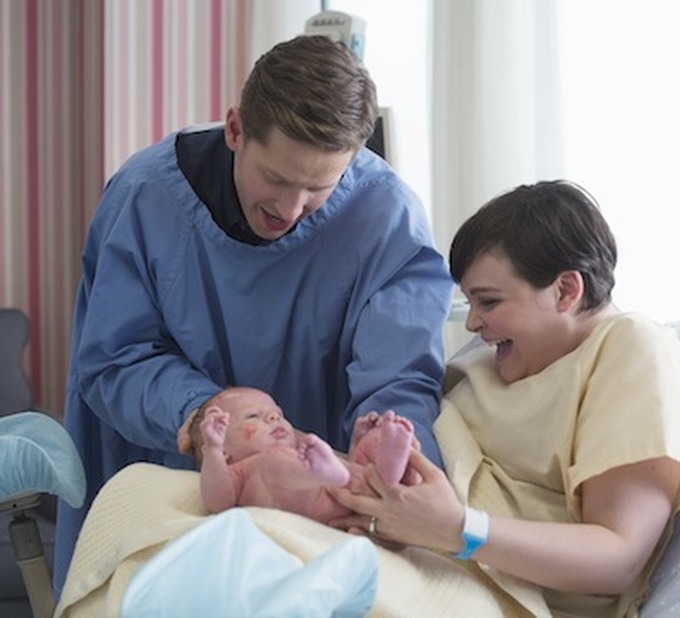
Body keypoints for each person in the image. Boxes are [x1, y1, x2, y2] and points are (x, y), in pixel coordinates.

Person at [54, 35, 453, 593]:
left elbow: (400, 376)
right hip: (179, 480)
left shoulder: (386, 216)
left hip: (323, 500)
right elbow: (115, 360)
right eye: (278, 179)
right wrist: (211, 419)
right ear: (236, 129)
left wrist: (387, 453)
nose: (290, 211)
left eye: (319, 187)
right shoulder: (145, 197)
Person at [330, 180, 680, 617]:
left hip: (490, 590)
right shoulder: (498, 360)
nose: (472, 323)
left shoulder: (633, 350)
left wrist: (457, 529)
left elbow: (617, 557)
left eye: (488, 302)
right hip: (405, 550)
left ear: (566, 290)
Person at [189, 386, 417, 522]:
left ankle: (388, 469)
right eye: (252, 416)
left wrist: (357, 442)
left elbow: (343, 476)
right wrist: (213, 451)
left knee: (368, 449)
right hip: (311, 499)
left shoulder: (306, 453)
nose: (273, 418)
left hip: (345, 490)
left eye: (277, 413)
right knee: (275, 459)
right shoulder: (241, 471)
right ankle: (371, 469)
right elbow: (217, 502)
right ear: (225, 451)